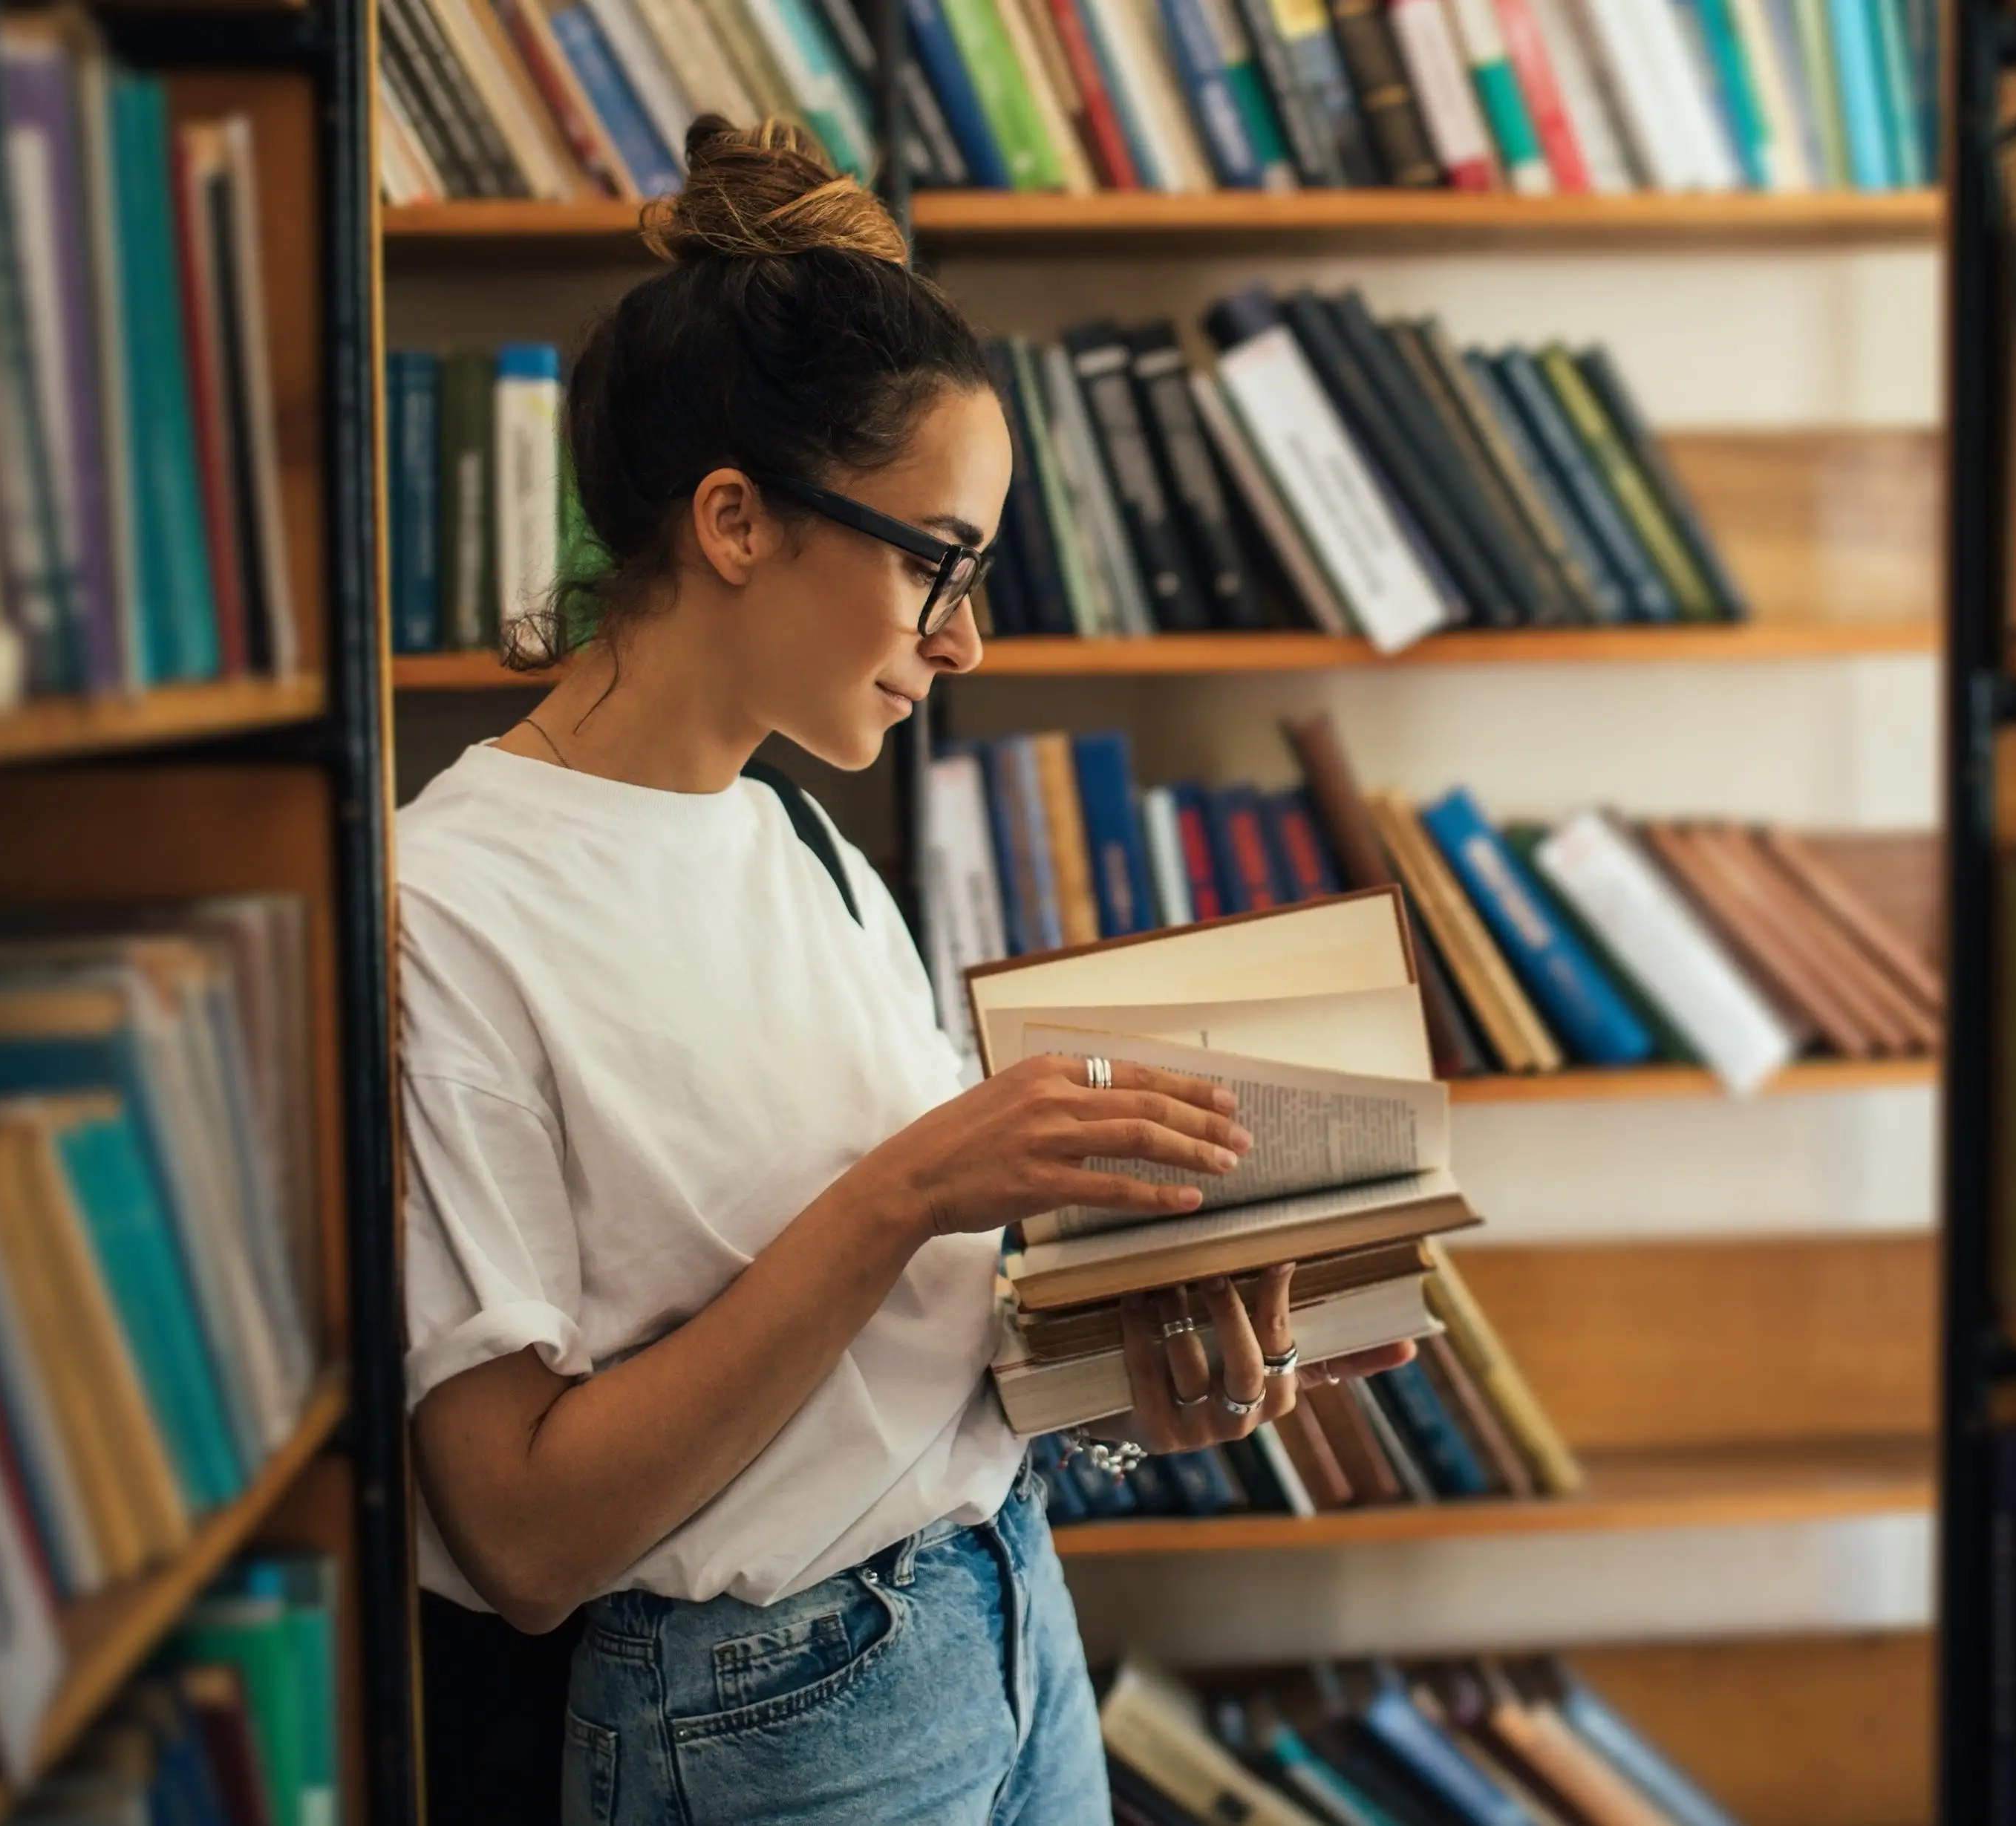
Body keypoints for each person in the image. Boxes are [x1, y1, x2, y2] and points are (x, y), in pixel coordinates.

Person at [397, 116, 1414, 1825]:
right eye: (933, 559)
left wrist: (1123, 1376)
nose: (965, 636)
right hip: (764, 1715)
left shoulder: (802, 841)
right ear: (734, 521)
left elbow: (893, 1355)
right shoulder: (453, 908)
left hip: (1002, 1614)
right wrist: (912, 1186)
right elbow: (522, 1532)